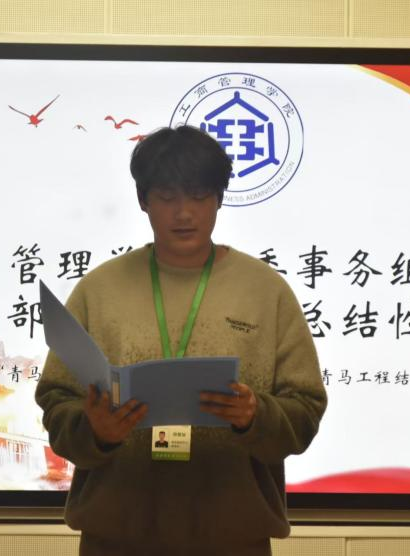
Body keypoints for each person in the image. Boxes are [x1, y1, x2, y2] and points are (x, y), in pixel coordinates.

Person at [35, 125, 326, 556]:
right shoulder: (98, 290)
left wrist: (255, 415)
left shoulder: (265, 291)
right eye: (167, 198)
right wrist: (94, 430)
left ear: (219, 199)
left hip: (234, 540)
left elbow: (306, 408)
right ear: (143, 201)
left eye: (199, 196)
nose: (184, 213)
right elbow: (56, 400)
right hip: (115, 540)